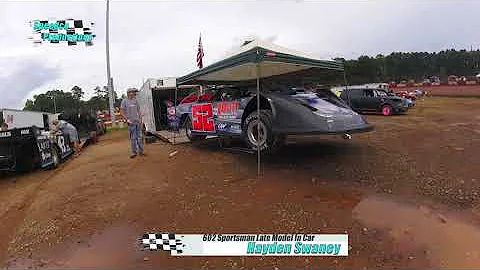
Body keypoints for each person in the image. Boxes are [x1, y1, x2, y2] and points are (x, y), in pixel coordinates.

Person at [120, 87, 145, 158]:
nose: (133, 93)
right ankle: (134, 152)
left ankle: (141, 152)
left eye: (133, 92)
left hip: (137, 122)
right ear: (128, 93)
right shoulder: (124, 101)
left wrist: (141, 119)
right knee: (133, 138)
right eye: (131, 92)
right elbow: (121, 111)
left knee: (139, 137)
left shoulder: (135, 100)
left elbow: (138, 110)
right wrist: (126, 119)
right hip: (131, 123)